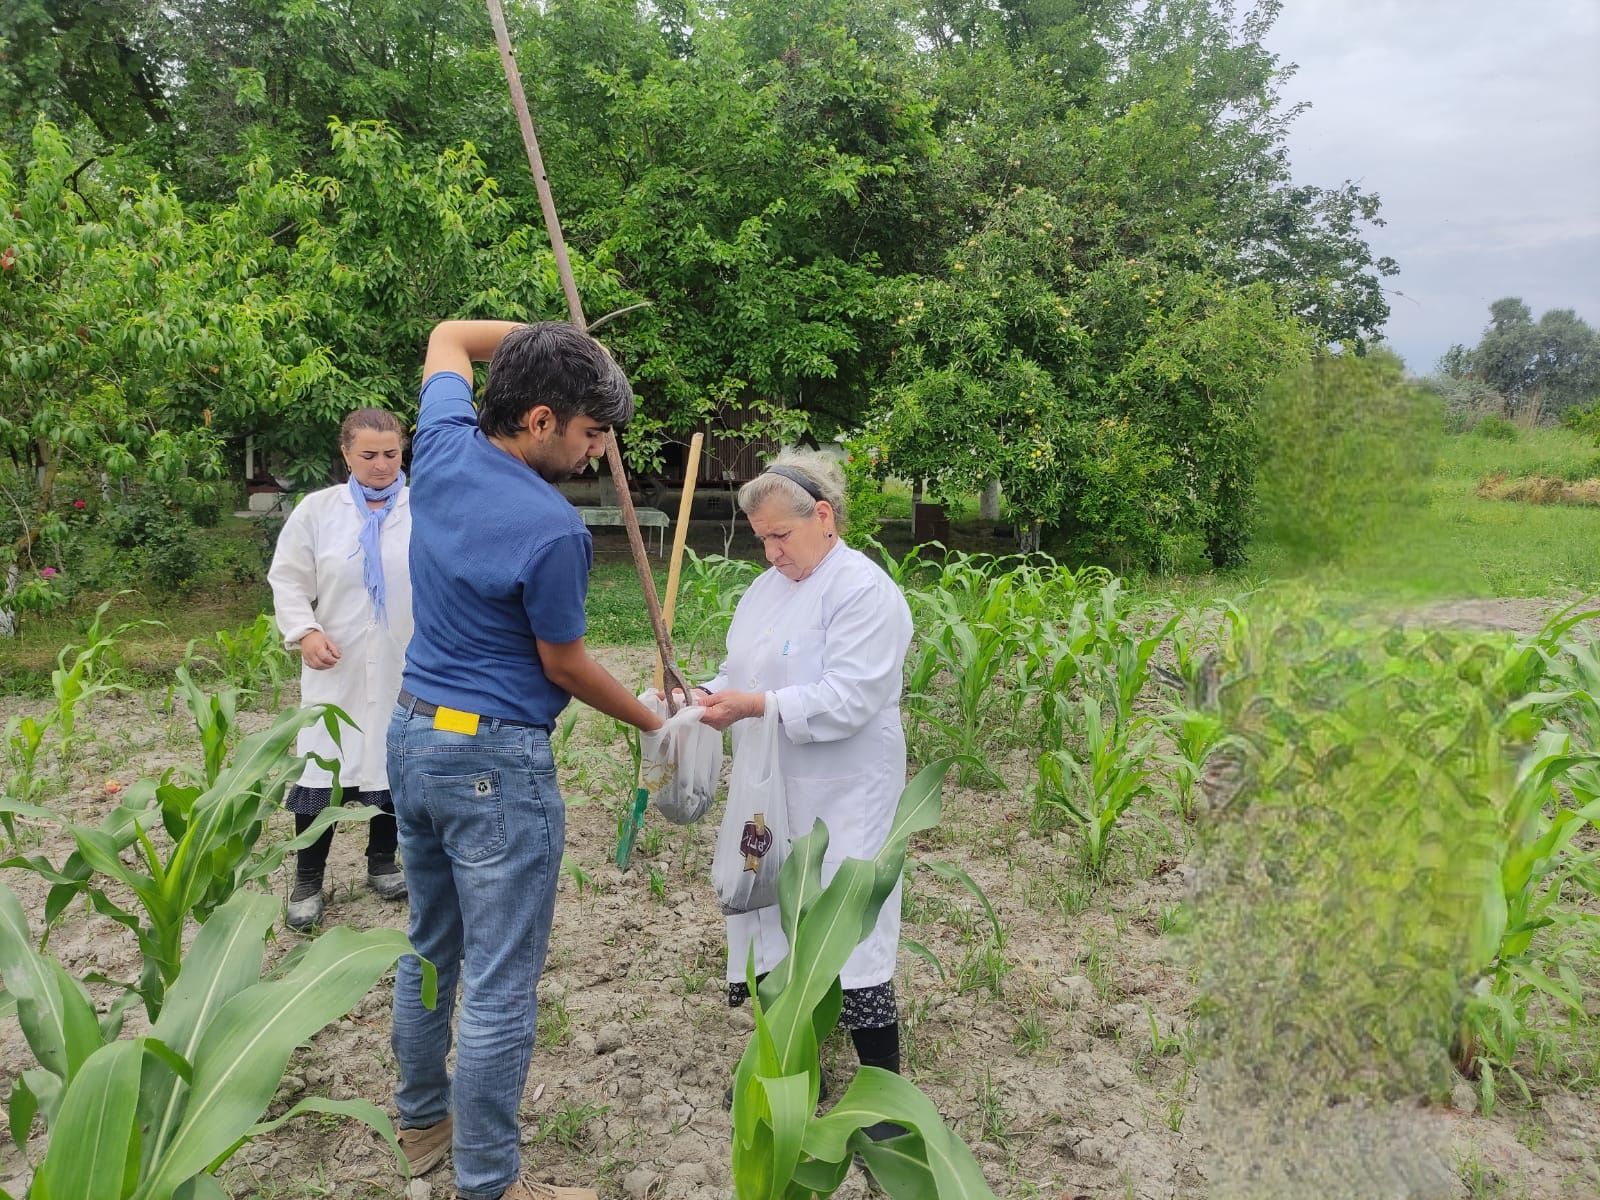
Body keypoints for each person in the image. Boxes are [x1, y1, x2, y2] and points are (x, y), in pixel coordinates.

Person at [388, 320, 664, 1200]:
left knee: (432, 947)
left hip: (413, 732)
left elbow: (444, 337)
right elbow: (565, 664)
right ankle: (489, 1183)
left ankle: (422, 1122)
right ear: (540, 419)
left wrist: (552, 339)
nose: (594, 455)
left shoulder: (436, 444)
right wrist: (654, 723)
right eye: (589, 434)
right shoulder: (551, 530)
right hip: (495, 763)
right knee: (503, 984)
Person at [693, 450, 914, 1141]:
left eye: (780, 536)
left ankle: (883, 1097)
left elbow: (850, 697)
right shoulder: (767, 589)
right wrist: (698, 695)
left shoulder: (862, 591)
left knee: (850, 923)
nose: (770, 551)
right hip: (771, 783)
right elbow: (739, 669)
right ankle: (788, 1062)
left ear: (823, 516)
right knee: (770, 912)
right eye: (760, 538)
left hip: (843, 789)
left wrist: (754, 703)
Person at [269, 407, 413, 931]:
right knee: (323, 765)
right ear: (347, 454)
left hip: (405, 661)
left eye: (391, 454)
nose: (381, 465)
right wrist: (305, 631)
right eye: (369, 455)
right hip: (337, 663)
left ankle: (382, 862)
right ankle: (309, 877)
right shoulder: (318, 511)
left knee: (394, 760)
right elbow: (287, 578)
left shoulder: (422, 510)